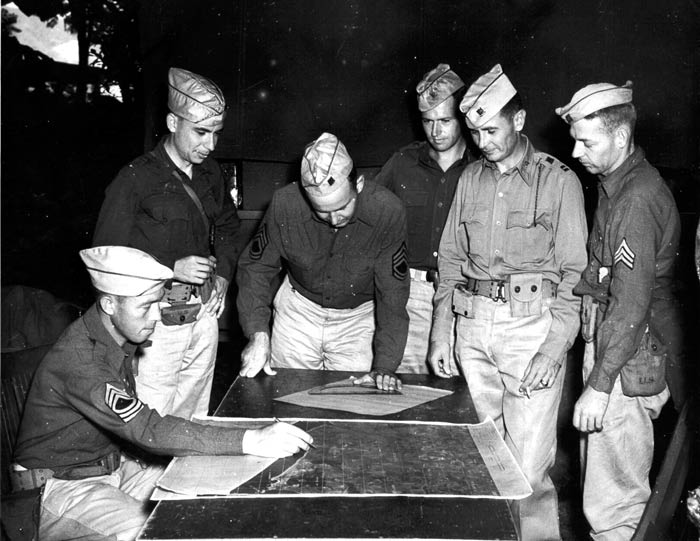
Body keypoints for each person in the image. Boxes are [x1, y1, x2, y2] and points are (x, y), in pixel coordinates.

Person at [12, 246, 312, 540]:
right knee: (155, 532)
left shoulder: (110, 336)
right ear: (109, 305)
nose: (157, 315)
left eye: (158, 302)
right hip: (57, 488)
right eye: (146, 306)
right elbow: (148, 428)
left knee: (207, 484)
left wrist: (251, 439)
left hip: (113, 469)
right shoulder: (82, 361)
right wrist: (252, 438)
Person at [429, 64, 588, 540]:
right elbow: (452, 259)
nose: (482, 141)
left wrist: (552, 349)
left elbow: (574, 275)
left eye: (491, 129)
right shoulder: (470, 179)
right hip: (473, 328)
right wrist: (442, 330)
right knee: (482, 456)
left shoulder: (558, 181)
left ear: (518, 120)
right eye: (474, 132)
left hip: (531, 332)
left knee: (529, 469)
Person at [557, 81, 681, 540]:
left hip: (628, 360)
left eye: (586, 141)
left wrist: (599, 385)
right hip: (617, 347)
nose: (575, 151)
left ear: (621, 138)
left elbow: (631, 305)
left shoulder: (635, 198)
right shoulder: (616, 184)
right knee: (603, 491)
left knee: (615, 507)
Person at [93, 67, 240, 419]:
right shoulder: (136, 178)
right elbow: (106, 257)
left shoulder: (210, 173)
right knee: (151, 419)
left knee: (192, 417)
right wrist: (170, 267)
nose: (211, 145)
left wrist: (223, 276)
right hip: (154, 319)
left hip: (203, 312)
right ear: (173, 123)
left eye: (217, 134)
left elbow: (230, 229)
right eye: (201, 132)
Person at [236, 132, 409, 391]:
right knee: (286, 395)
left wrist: (384, 366)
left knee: (351, 401)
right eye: (322, 212)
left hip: (357, 319)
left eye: (342, 208)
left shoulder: (387, 211)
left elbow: (393, 295)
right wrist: (258, 333)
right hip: (298, 312)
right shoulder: (285, 204)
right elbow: (256, 269)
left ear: (359, 184)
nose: (334, 220)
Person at [374, 63, 473, 375]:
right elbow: (368, 216)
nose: (436, 131)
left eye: (445, 120)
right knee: (407, 392)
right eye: (428, 121)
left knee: (459, 393)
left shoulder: (481, 168)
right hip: (411, 298)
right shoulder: (402, 163)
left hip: (462, 298)